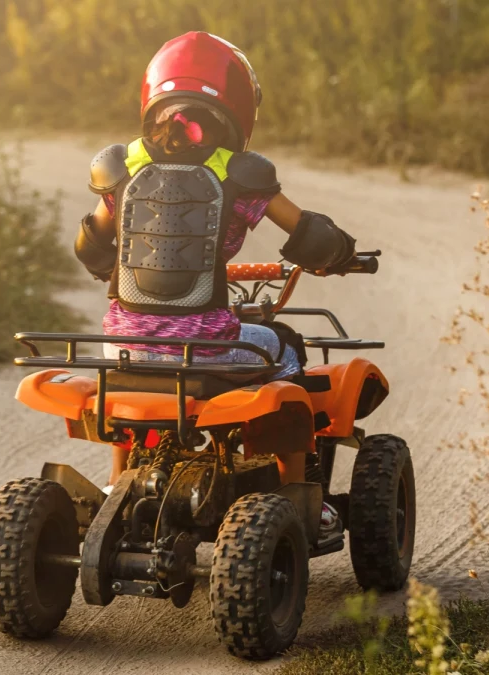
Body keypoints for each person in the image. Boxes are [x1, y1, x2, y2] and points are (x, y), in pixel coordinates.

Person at [73, 32, 357, 535]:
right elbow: (309, 235)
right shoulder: (239, 174)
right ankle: (298, 496)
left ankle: (118, 486)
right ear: (239, 107)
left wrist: (108, 270)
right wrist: (342, 254)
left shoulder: (124, 166)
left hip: (126, 347)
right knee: (285, 350)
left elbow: (92, 246)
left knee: (129, 380)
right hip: (205, 349)